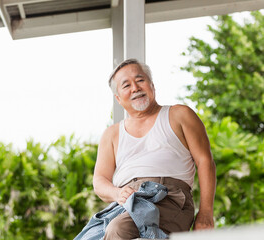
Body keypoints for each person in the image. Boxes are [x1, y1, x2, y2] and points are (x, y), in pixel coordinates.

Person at [92, 59, 216, 239]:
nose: (135, 88)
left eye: (140, 80)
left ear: (152, 85)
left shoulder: (179, 115)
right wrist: (118, 193)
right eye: (126, 85)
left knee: (119, 229)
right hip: (126, 204)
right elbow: (99, 181)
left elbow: (205, 161)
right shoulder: (111, 134)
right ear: (118, 98)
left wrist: (205, 214)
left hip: (169, 197)